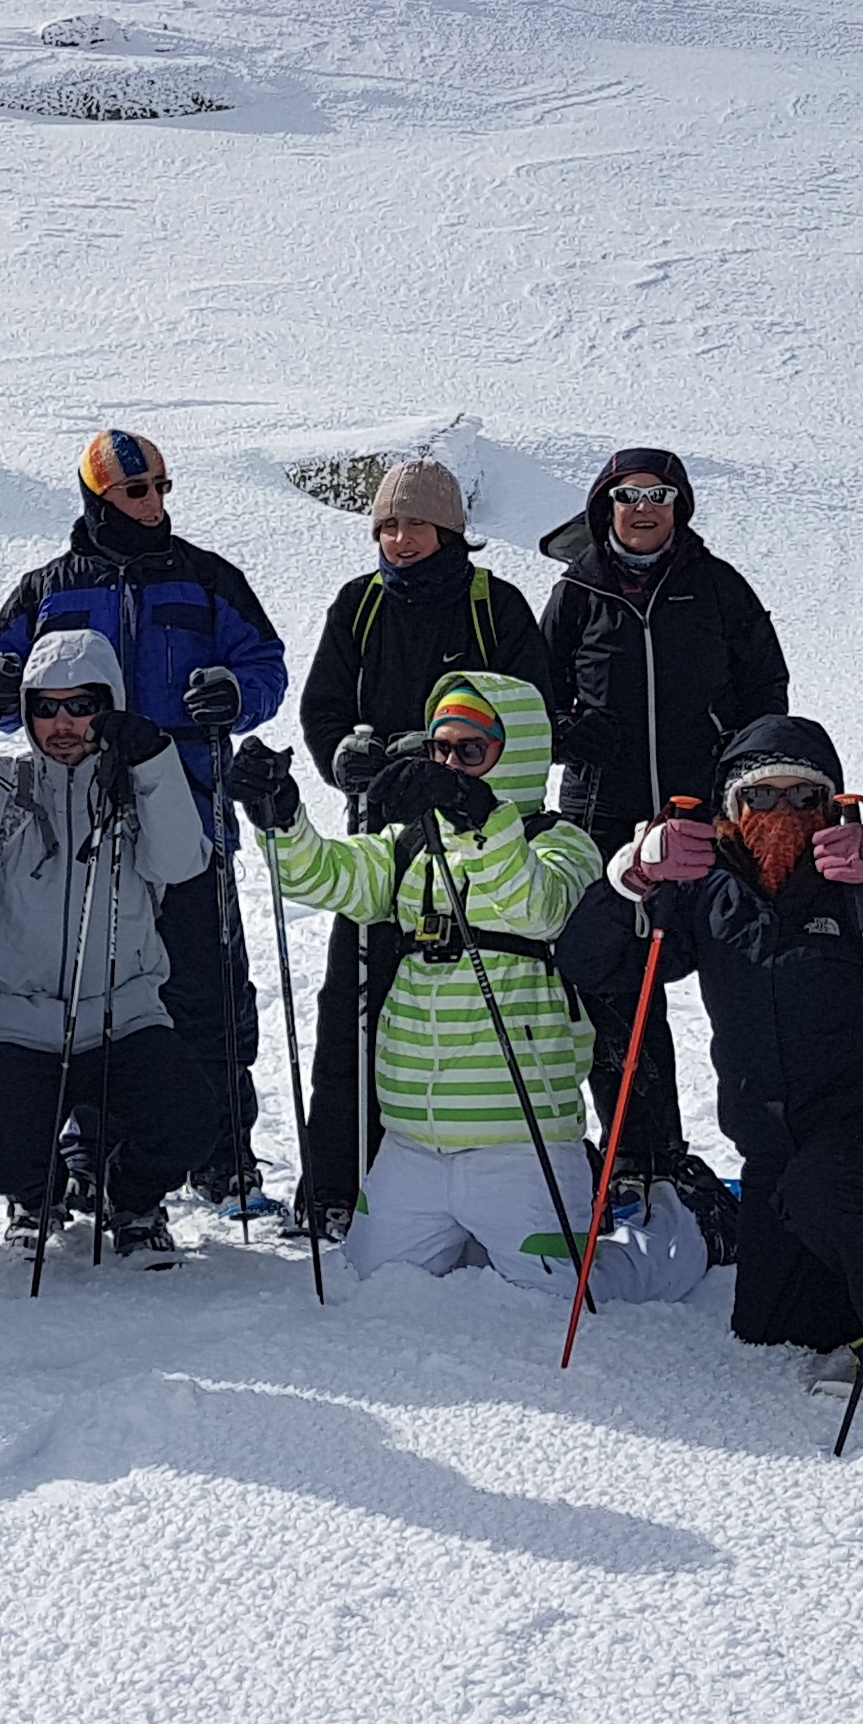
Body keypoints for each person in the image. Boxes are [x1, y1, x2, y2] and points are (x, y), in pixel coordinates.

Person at [609, 718, 863, 1379]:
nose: (783, 814)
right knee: (776, 1328)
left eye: (805, 798)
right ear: (733, 809)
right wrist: (630, 880)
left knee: (827, 1189)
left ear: (831, 806)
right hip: (775, 1145)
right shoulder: (709, 891)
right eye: (762, 797)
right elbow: (601, 966)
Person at [233, 670, 624, 1299]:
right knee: (367, 1285)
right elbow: (334, 878)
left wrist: (479, 814)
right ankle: (467, 1235)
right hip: (413, 1139)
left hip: (521, 1144)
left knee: (567, 1298)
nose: (451, 765)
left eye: (472, 751)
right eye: (441, 749)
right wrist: (282, 818)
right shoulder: (412, 842)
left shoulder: (562, 845)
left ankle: (679, 1242)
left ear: (517, 753)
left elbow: (537, 908)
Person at [0, 429, 292, 1214]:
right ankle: (92, 1146)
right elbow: (1, 666)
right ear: (98, 499)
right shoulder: (47, 587)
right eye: (137, 491)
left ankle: (225, 1153)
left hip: (187, 817)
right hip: (78, 831)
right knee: (94, 984)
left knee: (210, 989)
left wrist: (236, 693)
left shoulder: (207, 577)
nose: (155, 503)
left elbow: (266, 664)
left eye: (162, 487)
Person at [287, 460, 551, 1237]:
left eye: (415, 525)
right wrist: (345, 758)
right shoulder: (359, 605)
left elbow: (529, 711)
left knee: (477, 1001)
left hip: (481, 840)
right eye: (387, 526)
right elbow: (324, 705)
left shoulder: (494, 605)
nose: (400, 540)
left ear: (451, 531)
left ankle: (493, 1172)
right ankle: (336, 1180)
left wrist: (449, 767)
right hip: (385, 838)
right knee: (355, 1004)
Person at [534, 445, 787, 1216]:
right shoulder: (576, 594)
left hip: (706, 820)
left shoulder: (718, 589)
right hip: (603, 821)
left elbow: (767, 697)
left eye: (660, 495)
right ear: (603, 506)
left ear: (680, 506)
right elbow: (536, 697)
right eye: (628, 496)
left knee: (739, 984)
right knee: (618, 989)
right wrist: (568, 734)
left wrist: (738, 778)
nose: (643, 510)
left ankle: (776, 1156)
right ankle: (642, 1155)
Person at [0, 628, 211, 1258]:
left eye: (81, 706)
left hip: (126, 1013)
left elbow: (180, 863)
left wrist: (157, 763)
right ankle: (40, 1194)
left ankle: (134, 1197)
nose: (63, 723)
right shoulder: (4, 783)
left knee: (190, 1122)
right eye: (46, 707)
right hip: (23, 1018)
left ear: (108, 706)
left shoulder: (134, 782)